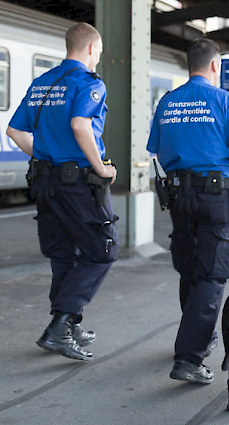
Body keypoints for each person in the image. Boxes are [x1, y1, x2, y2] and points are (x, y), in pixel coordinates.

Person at [6, 23, 118, 362]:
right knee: (103, 250)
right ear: (91, 47)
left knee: (63, 253)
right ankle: (59, 326)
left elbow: (15, 130)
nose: (98, 56)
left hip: (45, 181)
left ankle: (69, 325)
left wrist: (43, 156)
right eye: (98, 50)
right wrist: (101, 168)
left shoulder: (42, 83)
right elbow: (80, 125)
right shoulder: (88, 83)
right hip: (77, 184)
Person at [147, 38, 229, 384]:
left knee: (190, 269)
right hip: (214, 197)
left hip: (179, 196)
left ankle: (198, 338)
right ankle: (188, 358)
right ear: (214, 66)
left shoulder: (167, 101)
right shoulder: (226, 101)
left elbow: (158, 153)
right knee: (212, 274)